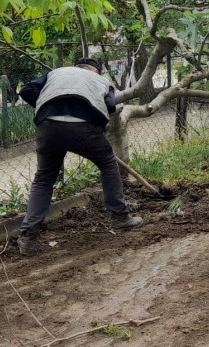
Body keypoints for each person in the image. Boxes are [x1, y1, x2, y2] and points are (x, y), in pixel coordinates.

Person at [16, 56, 143, 256]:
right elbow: (110, 105)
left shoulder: (55, 73)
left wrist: (46, 107)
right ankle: (121, 218)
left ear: (77, 67)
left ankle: (28, 236)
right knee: (108, 165)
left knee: (44, 178)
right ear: (96, 70)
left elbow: (26, 91)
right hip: (85, 129)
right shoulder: (102, 81)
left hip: (48, 127)